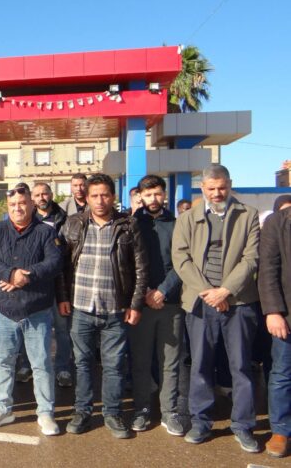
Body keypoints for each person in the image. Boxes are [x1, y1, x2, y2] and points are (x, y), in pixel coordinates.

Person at [172, 164, 261, 452]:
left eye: (222, 187)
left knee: (241, 366)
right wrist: (209, 292)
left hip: (238, 303)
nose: (217, 193)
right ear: (202, 188)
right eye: (211, 188)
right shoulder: (187, 218)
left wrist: (225, 290)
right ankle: (201, 421)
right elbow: (181, 258)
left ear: (230, 185)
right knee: (200, 365)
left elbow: (251, 258)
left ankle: (243, 425)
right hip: (200, 303)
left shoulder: (248, 215)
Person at [58, 173, 147, 439]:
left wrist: (135, 304)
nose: (100, 200)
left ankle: (112, 412)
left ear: (113, 197)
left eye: (105, 195)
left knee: (114, 365)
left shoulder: (128, 225)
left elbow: (140, 268)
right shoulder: (73, 224)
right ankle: (82, 411)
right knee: (82, 363)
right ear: (86, 197)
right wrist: (63, 297)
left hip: (115, 309)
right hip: (80, 307)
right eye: (94, 195)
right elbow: (62, 266)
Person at [0, 183, 63, 435]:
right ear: (8, 206)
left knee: (41, 363)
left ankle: (45, 413)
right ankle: (3, 409)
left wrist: (27, 276)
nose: (18, 208)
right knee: (3, 360)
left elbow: (54, 262)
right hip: (3, 309)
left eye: (22, 203)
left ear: (31, 204)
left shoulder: (46, 232)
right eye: (13, 204)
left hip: (36, 309)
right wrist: (10, 274)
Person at [129, 175, 186, 435]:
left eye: (158, 194)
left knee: (170, 362)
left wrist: (162, 291)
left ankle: (169, 412)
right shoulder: (131, 224)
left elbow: (182, 263)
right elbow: (127, 264)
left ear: (164, 195)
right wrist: (144, 293)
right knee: (140, 361)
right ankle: (141, 409)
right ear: (140, 196)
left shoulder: (177, 225)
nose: (153, 199)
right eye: (148, 194)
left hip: (170, 303)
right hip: (140, 304)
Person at [259, 197, 291, 458]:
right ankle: (281, 430)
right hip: (286, 316)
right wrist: (273, 311)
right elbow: (268, 269)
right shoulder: (277, 221)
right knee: (282, 374)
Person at [31, 182, 72, 387]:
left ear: (51, 194)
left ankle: (63, 368)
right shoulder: (28, 220)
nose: (41, 197)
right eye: (37, 194)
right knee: (33, 330)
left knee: (62, 329)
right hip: (35, 284)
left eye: (45, 193)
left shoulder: (64, 219)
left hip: (59, 282)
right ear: (32, 198)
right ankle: (28, 366)